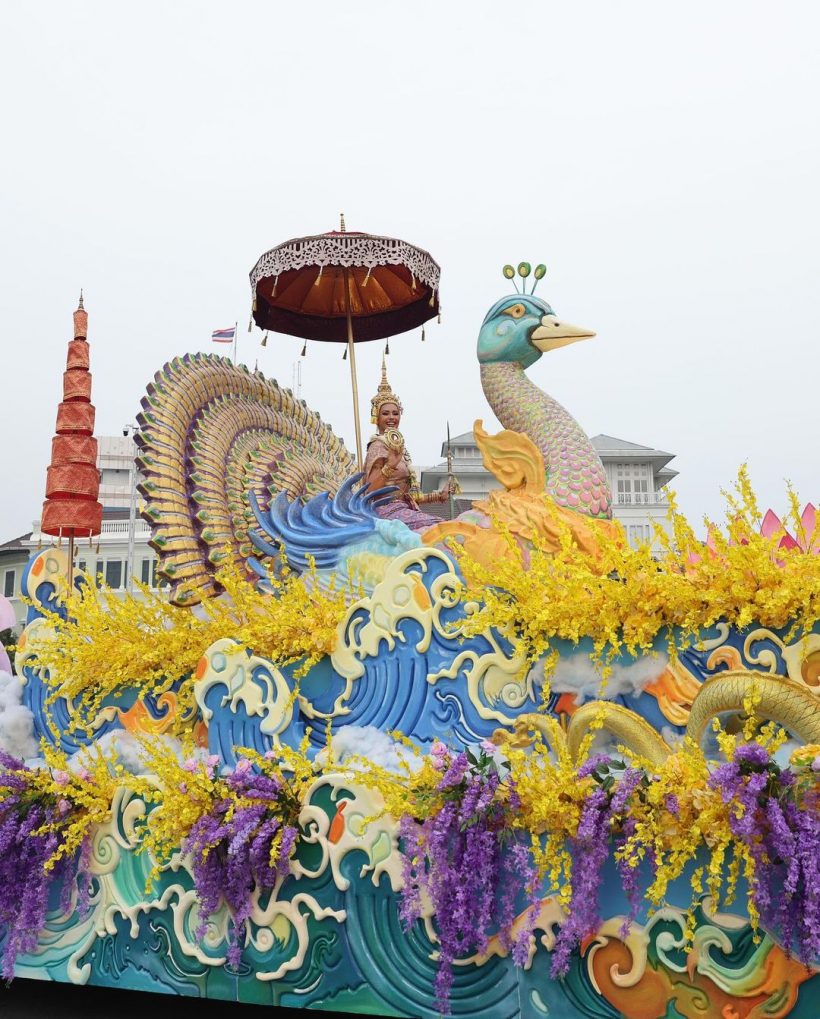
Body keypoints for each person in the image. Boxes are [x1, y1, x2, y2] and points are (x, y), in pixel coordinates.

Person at [363, 359, 453, 532]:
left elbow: (408, 497)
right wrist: (389, 466)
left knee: (445, 526)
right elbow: (370, 491)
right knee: (440, 528)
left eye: (395, 413)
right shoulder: (377, 446)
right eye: (386, 413)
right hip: (385, 512)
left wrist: (438, 496)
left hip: (402, 509)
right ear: (377, 417)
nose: (391, 417)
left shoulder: (398, 449)